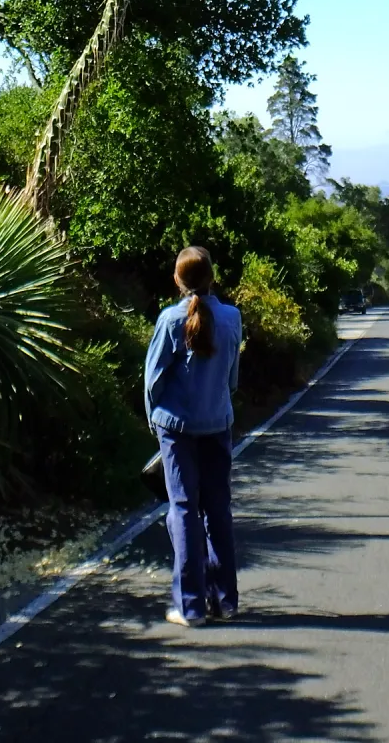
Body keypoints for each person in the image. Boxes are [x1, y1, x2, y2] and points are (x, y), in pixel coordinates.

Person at [144, 245, 242, 627]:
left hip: (178, 429)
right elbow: (232, 377)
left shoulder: (170, 320)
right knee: (218, 509)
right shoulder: (232, 317)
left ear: (177, 280)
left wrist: (155, 421)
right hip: (217, 424)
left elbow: (153, 380)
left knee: (183, 508)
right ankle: (226, 600)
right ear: (212, 277)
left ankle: (191, 606)